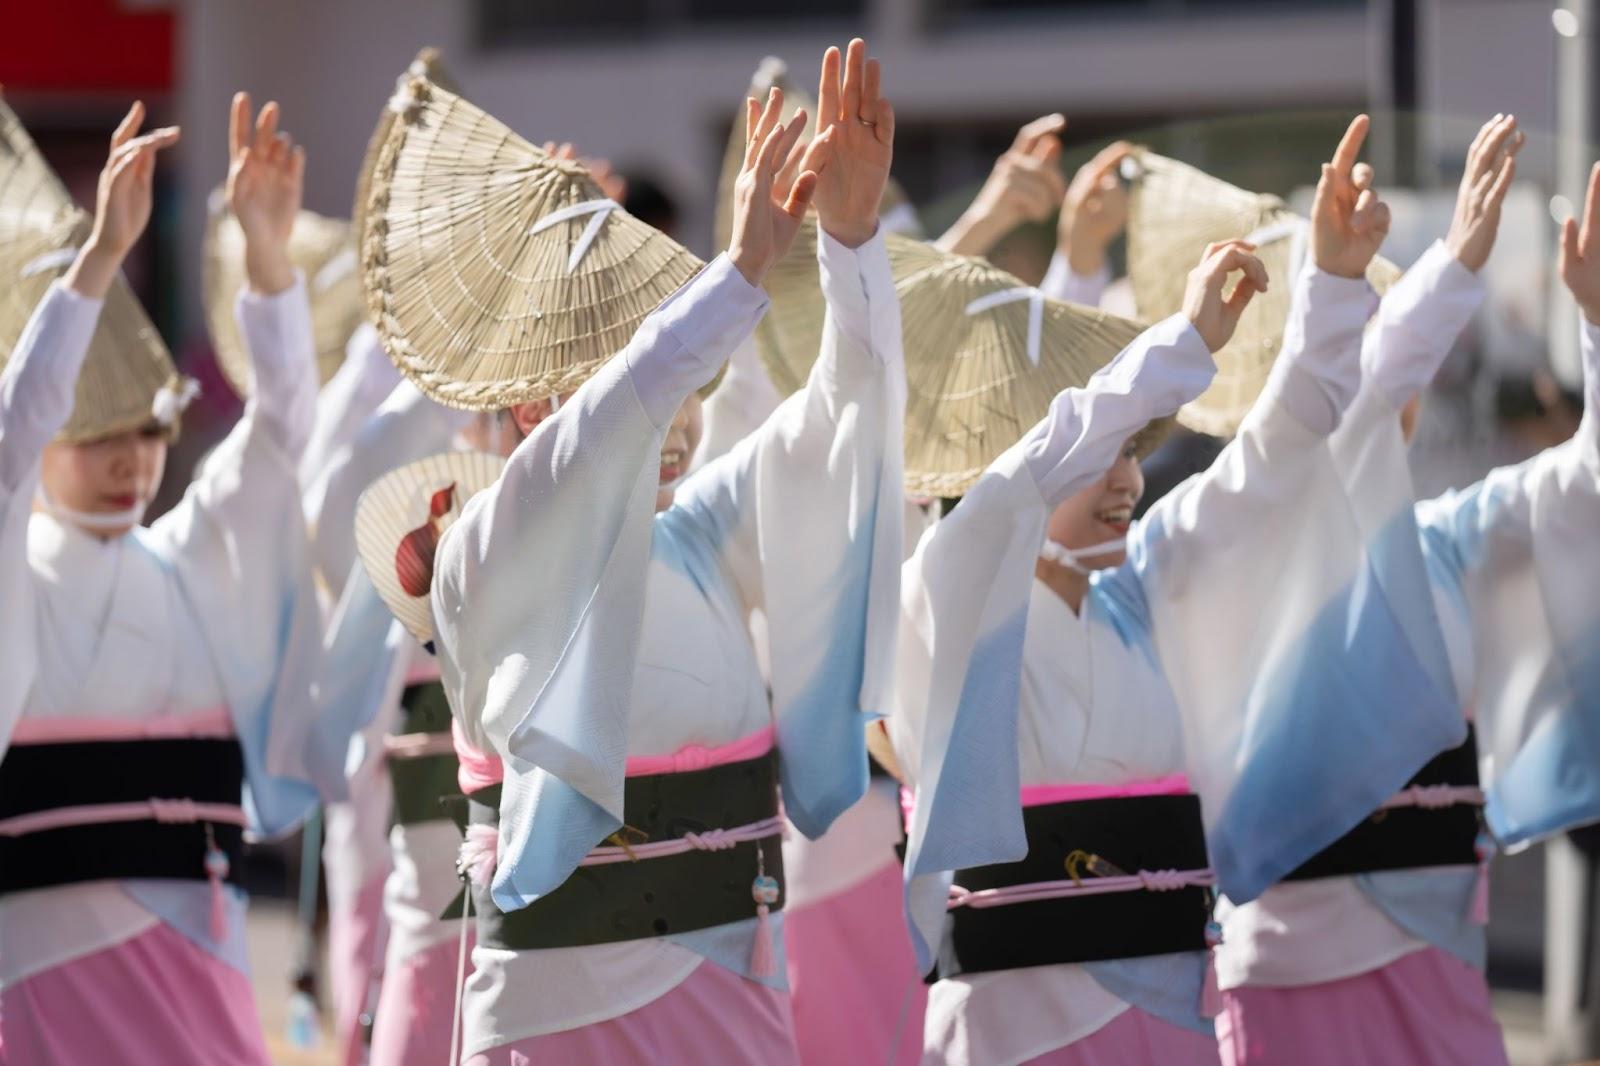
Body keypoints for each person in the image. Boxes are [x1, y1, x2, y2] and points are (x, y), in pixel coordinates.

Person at [892, 115, 1482, 1065]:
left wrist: (1330, 287)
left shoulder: (1147, 588)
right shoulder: (950, 585)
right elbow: (1025, 477)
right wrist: (1182, 345)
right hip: (1011, 1032)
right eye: (1104, 456)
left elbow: (1276, 451)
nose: (1126, 478)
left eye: (1136, 453)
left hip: (1172, 1017)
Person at [411, 40, 905, 1063]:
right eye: (642, 391)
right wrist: (739, 272)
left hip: (731, 979)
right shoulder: (489, 542)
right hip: (559, 1007)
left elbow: (833, 430)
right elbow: (605, 431)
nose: (673, 421)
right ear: (533, 404)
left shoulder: (705, 534)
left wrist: (850, 250)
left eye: (686, 394)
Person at [1215, 114, 1597, 1066]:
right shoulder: (1246, 541)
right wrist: (1460, 260)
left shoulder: (1457, 542)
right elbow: (1351, 411)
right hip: (1282, 971)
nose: (1389, 393)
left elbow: (1588, 480)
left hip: (1436, 957)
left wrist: (1597, 324)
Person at [0, 92, 324, 1064]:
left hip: (200, 976)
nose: (131, 459)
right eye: (98, 432)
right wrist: (100, 257)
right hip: (38, 972)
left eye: (148, 430)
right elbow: (11, 439)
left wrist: (267, 258)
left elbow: (281, 431)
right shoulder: (14, 577)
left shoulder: (190, 562)